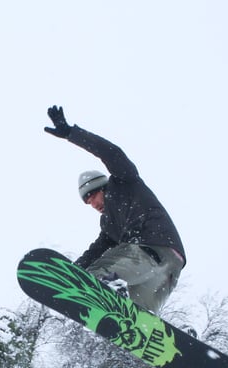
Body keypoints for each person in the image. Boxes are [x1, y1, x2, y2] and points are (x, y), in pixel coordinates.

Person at [44, 105, 186, 314]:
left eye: (93, 196)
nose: (93, 204)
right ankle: (184, 337)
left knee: (97, 275)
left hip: (150, 248)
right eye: (88, 203)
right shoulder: (109, 224)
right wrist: (72, 271)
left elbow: (112, 153)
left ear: (102, 186)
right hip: (170, 266)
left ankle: (109, 286)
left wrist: (72, 134)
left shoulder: (124, 181)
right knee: (136, 319)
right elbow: (96, 249)